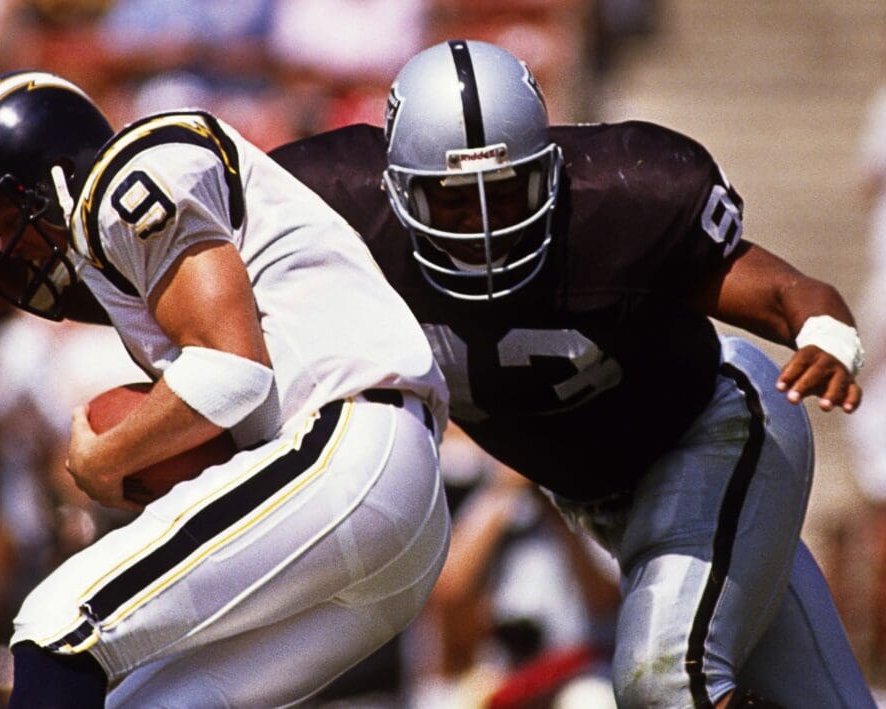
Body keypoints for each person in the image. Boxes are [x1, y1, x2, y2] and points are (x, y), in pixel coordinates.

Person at [267, 40, 876, 708]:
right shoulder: (326, 210)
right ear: (397, 188)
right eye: (453, 201)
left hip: (716, 433)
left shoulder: (621, 201)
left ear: (549, 172)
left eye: (506, 192)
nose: (483, 225)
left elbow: (785, 290)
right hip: (607, 495)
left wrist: (825, 332)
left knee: (666, 681)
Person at [0, 70, 450, 707]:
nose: (11, 246)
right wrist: (4, 284)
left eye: (8, 221)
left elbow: (231, 371)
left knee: (59, 626)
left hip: (350, 449)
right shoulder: (125, 224)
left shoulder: (132, 175)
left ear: (54, 177)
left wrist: (105, 459)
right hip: (387, 502)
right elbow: (158, 292)